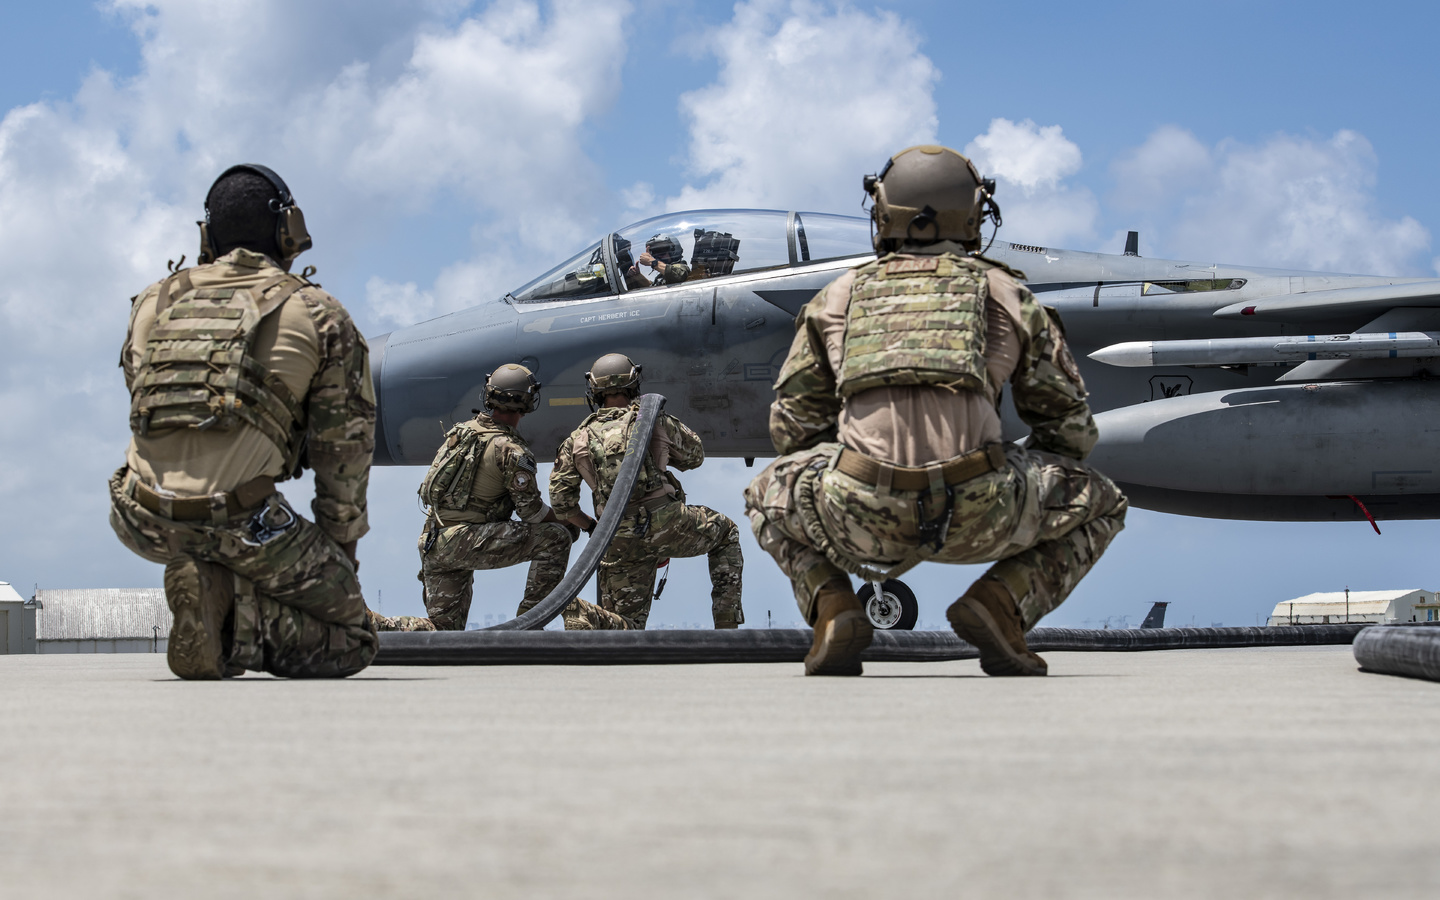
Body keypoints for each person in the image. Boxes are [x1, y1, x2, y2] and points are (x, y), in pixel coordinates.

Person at [744, 145, 1128, 677]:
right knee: (1102, 502)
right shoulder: (1010, 294)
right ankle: (1002, 604)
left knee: (764, 494)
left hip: (859, 509)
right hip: (982, 510)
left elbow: (791, 431)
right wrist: (1006, 462)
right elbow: (1071, 433)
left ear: (881, 213)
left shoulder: (837, 297)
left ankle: (833, 606)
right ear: (974, 215)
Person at [109, 163, 380, 679]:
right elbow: (342, 453)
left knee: (217, 541)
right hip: (240, 523)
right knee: (352, 638)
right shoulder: (317, 313)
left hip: (140, 519)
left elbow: (144, 402)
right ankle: (226, 609)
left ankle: (207, 591)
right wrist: (338, 556)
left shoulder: (153, 300)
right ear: (288, 232)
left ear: (207, 234)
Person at [416, 364, 627, 631]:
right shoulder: (513, 451)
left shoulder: (459, 434)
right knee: (556, 537)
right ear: (528, 401)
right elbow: (532, 513)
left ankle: (374, 624)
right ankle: (529, 624)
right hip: (465, 541)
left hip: (435, 543)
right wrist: (578, 523)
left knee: (441, 633)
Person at [550, 353, 744, 629]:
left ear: (594, 389)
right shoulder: (652, 420)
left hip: (615, 537)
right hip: (668, 524)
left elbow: (561, 503)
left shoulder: (576, 439)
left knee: (627, 625)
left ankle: (583, 612)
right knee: (726, 533)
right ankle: (727, 626)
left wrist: (594, 528)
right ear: (633, 383)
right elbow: (695, 456)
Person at [625, 233, 690, 289]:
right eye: (655, 251)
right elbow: (653, 288)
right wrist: (637, 275)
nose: (658, 255)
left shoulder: (682, 268)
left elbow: (679, 275)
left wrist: (653, 263)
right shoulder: (661, 277)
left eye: (661, 250)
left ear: (673, 250)